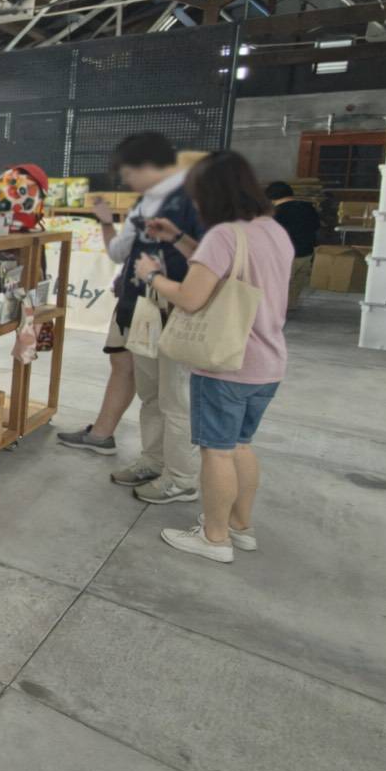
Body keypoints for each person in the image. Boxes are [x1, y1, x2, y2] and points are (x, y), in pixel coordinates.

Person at [133, 151, 290, 564]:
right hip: (267, 363)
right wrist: (177, 238)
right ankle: (240, 527)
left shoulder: (224, 235)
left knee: (216, 452)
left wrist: (151, 275)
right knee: (240, 447)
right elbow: (223, 268)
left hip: (226, 363)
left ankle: (214, 537)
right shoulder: (272, 230)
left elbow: (191, 296)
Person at [57, 132, 204, 504]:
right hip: (140, 307)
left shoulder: (192, 199)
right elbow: (121, 252)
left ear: (148, 165)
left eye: (127, 173)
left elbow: (210, 259)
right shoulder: (146, 202)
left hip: (175, 309)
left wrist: (169, 260)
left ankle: (182, 477)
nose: (126, 181)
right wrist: (108, 224)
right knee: (151, 394)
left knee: (176, 400)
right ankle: (153, 461)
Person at [265, 181, 321, 312]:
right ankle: (290, 305)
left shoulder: (275, 213)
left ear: (271, 197)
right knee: (297, 282)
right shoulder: (308, 207)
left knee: (280, 283)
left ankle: (277, 309)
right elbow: (316, 226)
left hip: (284, 255)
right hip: (306, 252)